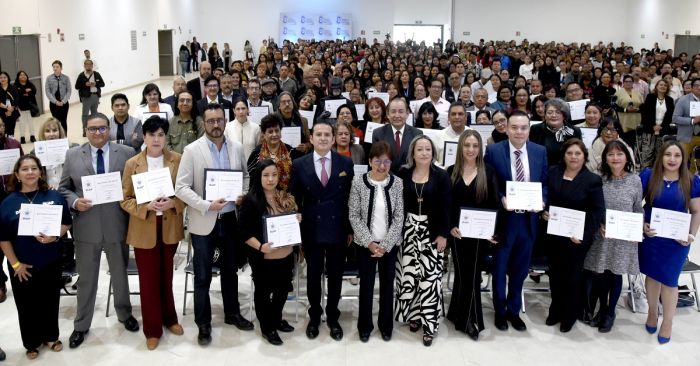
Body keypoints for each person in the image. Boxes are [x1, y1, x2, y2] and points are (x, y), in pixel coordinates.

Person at [58, 113, 139, 348]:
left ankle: (125, 314)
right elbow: (64, 188)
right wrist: (75, 201)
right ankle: (81, 325)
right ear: (85, 131)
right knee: (86, 280)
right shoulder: (73, 155)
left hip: (117, 225)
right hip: (86, 227)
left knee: (120, 274)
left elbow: (134, 185)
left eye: (102, 128)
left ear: (109, 129)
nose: (98, 133)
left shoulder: (125, 153)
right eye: (93, 129)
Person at [175, 103, 253, 346]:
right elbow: (181, 187)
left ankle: (232, 313)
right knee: (202, 275)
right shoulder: (191, 150)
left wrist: (242, 193)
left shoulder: (237, 147)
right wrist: (206, 205)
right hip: (204, 220)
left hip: (230, 219)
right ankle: (204, 323)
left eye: (220, 120)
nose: (216, 125)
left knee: (231, 271)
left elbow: (245, 175)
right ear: (204, 123)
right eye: (211, 121)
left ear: (225, 120)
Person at [120, 117, 185, 350]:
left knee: (166, 277)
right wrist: (144, 207)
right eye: (152, 135)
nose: (156, 139)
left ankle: (170, 319)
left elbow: (185, 194)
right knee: (148, 281)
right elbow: (125, 199)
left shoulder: (177, 160)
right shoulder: (132, 163)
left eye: (160, 135)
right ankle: (152, 329)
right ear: (144, 137)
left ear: (165, 137)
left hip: (168, 226)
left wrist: (173, 204)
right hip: (144, 226)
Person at [0, 155, 71, 359]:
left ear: (40, 171)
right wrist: (15, 265)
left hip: (51, 261)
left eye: (34, 168)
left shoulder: (54, 196)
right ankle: (31, 342)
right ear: (17, 174)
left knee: (50, 300)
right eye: (25, 169)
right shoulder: (7, 203)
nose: (30, 172)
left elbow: (66, 222)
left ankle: (50, 336)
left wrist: (55, 234)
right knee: (26, 305)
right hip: (22, 266)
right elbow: (3, 239)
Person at [289, 120, 354, 341]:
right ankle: (315, 316)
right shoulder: (299, 164)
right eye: (319, 134)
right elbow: (294, 197)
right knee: (314, 276)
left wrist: (350, 229)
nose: (324, 138)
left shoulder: (346, 164)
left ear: (334, 138)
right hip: (311, 228)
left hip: (337, 228)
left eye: (328, 134)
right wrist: (295, 216)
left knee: (336, 276)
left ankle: (333, 317)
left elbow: (349, 200)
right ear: (311, 138)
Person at [484, 111, 548, 332]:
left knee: (520, 270)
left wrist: (542, 200)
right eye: (514, 127)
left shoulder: (540, 152)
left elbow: (545, 183)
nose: (519, 132)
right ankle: (500, 312)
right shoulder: (493, 151)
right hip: (505, 220)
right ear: (507, 128)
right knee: (500, 269)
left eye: (523, 127)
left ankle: (514, 310)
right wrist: (500, 197)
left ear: (529, 129)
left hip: (529, 221)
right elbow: (489, 182)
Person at [541, 139, 604, 333]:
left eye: (577, 153)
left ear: (584, 156)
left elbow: (597, 212)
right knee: (555, 276)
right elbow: (546, 199)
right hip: (554, 235)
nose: (573, 157)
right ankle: (555, 310)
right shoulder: (553, 172)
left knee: (572, 278)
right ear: (564, 155)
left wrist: (584, 235)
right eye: (570, 153)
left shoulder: (592, 180)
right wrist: (544, 212)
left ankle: (569, 314)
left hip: (576, 239)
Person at [640, 141, 700, 344]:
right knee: (652, 276)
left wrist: (691, 235)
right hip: (652, 237)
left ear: (683, 159)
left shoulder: (691, 181)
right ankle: (651, 312)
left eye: (677, 155)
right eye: (668, 155)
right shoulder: (648, 176)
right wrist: (642, 224)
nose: (672, 159)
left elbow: (696, 211)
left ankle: (668, 321)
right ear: (661, 157)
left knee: (669, 281)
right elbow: (635, 204)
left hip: (677, 241)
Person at [395, 135, 451, 346]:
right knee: (409, 275)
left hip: (432, 231)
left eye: (428, 149)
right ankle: (414, 315)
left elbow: (447, 206)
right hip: (408, 230)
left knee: (429, 280)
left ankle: (430, 324)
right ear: (413, 153)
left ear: (433, 153)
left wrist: (443, 234)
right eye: (420, 149)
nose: (424, 153)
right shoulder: (402, 173)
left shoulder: (441, 175)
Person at [446, 130, 501, 341]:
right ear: (460, 147)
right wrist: (450, 227)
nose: (471, 149)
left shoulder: (488, 171)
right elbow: (447, 206)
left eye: (475, 146)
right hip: (458, 235)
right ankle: (456, 313)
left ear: (480, 148)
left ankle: (471, 319)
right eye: (467, 145)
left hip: (480, 236)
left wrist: (492, 232)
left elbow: (495, 204)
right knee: (461, 274)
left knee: (472, 276)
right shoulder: (451, 171)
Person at [583, 140, 643, 332]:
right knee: (600, 274)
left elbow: (637, 208)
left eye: (619, 154)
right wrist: (599, 223)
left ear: (626, 156)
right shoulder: (597, 177)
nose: (615, 158)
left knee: (616, 274)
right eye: (611, 155)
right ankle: (601, 309)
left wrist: (637, 229)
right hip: (603, 235)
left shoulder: (635, 179)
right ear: (605, 158)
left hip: (624, 237)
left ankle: (610, 312)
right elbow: (591, 205)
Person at [348, 141, 404, 342]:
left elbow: (399, 217)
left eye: (387, 161)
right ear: (370, 161)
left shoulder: (397, 183)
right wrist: (370, 243)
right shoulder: (358, 182)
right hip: (366, 245)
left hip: (389, 245)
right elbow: (354, 216)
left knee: (388, 286)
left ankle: (386, 325)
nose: (382, 165)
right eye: (378, 161)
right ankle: (365, 325)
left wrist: (386, 245)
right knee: (367, 286)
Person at [238, 160, 298, 345]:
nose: (271, 179)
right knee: (264, 293)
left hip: (286, 255)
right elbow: (244, 232)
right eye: (266, 175)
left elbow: (291, 219)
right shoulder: (251, 200)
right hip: (264, 257)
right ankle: (267, 327)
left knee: (281, 291)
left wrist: (297, 218)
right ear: (259, 176)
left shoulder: (284, 195)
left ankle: (276, 318)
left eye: (274, 175)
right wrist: (261, 247)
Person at [372, 98, 423, 172]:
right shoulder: (378, 133)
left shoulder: (417, 134)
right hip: (387, 178)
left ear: (407, 113)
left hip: (410, 178)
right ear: (387, 114)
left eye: (401, 112)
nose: (397, 115)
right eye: (393, 112)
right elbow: (376, 160)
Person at [529, 98, 583, 166]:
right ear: (545, 115)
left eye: (558, 112)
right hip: (544, 170)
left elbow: (579, 155)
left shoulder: (575, 131)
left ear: (564, 115)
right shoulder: (536, 129)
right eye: (550, 112)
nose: (554, 115)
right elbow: (532, 154)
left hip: (567, 170)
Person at [639, 79, 675, 169]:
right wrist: (653, 126)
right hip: (649, 129)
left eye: (665, 85)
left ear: (667, 88)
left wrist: (661, 127)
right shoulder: (650, 97)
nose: (663, 86)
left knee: (660, 155)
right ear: (656, 87)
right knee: (647, 155)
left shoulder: (670, 100)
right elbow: (646, 113)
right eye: (661, 85)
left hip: (663, 130)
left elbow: (670, 115)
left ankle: (658, 177)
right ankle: (645, 176)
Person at [672, 78, 700, 174]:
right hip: (686, 136)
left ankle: (694, 182)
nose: (699, 87)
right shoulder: (683, 100)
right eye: (696, 85)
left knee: (697, 165)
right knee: (681, 162)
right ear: (691, 88)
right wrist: (692, 121)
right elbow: (675, 118)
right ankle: (680, 183)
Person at [75, 59, 105, 131]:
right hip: (86, 97)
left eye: (90, 64)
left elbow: (102, 84)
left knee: (94, 113)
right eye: (86, 64)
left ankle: (93, 128)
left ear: (92, 66)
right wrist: (85, 84)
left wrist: (96, 84)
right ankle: (85, 129)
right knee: (85, 114)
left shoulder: (97, 74)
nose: (88, 66)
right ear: (84, 66)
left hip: (96, 96)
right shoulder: (81, 75)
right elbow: (77, 86)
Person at [615, 75, 644, 147]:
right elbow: (615, 107)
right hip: (624, 120)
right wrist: (626, 110)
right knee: (625, 142)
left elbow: (642, 106)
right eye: (626, 81)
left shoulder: (638, 93)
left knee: (634, 142)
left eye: (630, 81)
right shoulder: (618, 93)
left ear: (633, 83)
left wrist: (638, 109)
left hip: (636, 119)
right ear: (623, 83)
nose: (628, 83)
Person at [44, 60, 71, 133]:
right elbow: (47, 92)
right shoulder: (49, 78)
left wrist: (63, 101)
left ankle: (65, 138)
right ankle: (57, 138)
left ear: (61, 68)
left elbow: (69, 91)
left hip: (64, 104)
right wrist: (55, 102)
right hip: (53, 104)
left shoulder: (66, 78)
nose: (55, 68)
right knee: (56, 122)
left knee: (63, 121)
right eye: (54, 67)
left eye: (57, 67)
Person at [13, 70, 38, 144]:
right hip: (20, 107)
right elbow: (17, 95)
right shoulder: (15, 85)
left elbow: (34, 91)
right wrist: (26, 91)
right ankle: (22, 137)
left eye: (24, 75)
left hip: (30, 107)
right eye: (21, 75)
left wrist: (26, 93)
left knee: (31, 123)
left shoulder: (30, 84)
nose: (23, 76)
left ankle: (32, 136)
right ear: (18, 77)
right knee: (22, 123)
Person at [0, 71, 20, 138]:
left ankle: (10, 145)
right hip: (2, 113)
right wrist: (6, 108)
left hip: (12, 111)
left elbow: (17, 99)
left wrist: (12, 108)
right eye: (1, 78)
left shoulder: (13, 88)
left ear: (8, 78)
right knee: (2, 130)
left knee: (11, 131)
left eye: (4, 77)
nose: (3, 79)